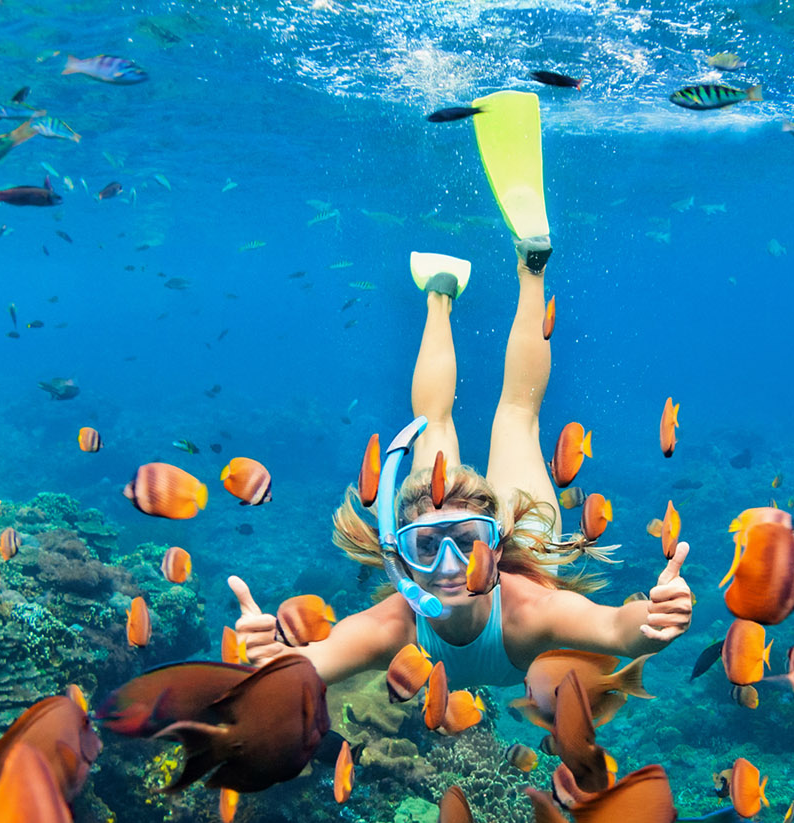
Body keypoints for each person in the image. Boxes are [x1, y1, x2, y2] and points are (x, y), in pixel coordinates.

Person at [227, 90, 693, 688]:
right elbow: (309, 667)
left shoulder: (528, 611)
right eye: (428, 548)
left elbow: (616, 629)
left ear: (496, 547)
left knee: (450, 421)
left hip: (519, 546)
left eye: (467, 543)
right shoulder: (395, 622)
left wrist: (650, 623)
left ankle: (458, 287)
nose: (450, 567)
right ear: (404, 558)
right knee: (515, 418)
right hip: (529, 531)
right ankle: (508, 271)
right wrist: (273, 662)